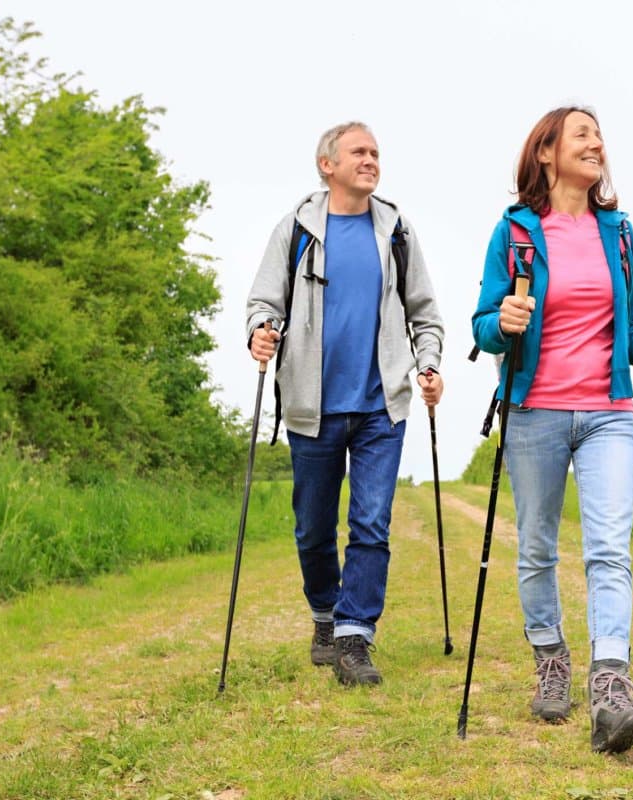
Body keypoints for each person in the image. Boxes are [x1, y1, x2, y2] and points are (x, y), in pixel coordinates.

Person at [471, 106, 633, 753]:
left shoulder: (618, 232)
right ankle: (551, 660)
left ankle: (610, 687)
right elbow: (483, 326)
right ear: (546, 153)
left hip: (607, 412)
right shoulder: (515, 232)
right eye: (582, 134)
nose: (597, 143)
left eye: (599, 135)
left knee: (608, 547)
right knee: (536, 545)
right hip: (533, 411)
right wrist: (501, 318)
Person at [246, 122, 444, 687]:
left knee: (371, 523)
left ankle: (355, 638)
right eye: (359, 152)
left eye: (376, 152)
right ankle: (325, 616)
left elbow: (425, 313)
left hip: (383, 403)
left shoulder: (396, 230)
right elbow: (263, 302)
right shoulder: (297, 229)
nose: (371, 160)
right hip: (312, 404)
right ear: (326, 164)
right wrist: (261, 330)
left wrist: (427, 363)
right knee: (312, 528)